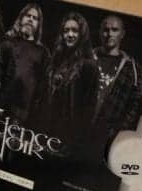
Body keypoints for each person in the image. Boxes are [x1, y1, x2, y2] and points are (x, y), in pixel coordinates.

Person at [44, 12, 99, 159]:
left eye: (74, 31)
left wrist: (74, 141)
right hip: (48, 131)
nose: (69, 35)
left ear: (82, 34)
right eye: (66, 30)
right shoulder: (57, 60)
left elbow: (88, 108)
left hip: (69, 138)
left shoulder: (89, 66)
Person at [92, 15, 142, 145]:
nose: (109, 34)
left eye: (114, 30)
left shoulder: (132, 68)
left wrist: (116, 131)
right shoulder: (86, 57)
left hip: (106, 136)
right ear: (100, 32)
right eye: (106, 30)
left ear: (122, 34)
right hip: (77, 128)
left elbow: (136, 104)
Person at [2, 3, 49, 128]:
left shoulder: (42, 52)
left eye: (35, 18)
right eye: (28, 16)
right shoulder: (7, 41)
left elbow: (41, 87)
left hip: (22, 112)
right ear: (21, 18)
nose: (30, 20)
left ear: (38, 25)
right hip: (0, 104)